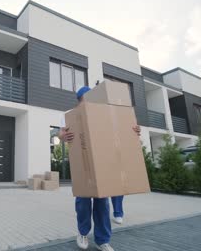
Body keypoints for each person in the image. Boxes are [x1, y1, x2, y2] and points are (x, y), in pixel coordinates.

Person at [58, 86, 140, 251]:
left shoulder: (103, 114)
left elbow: (119, 131)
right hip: (83, 164)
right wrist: (62, 136)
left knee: (102, 204)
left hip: (101, 164)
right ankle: (82, 233)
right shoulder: (70, 115)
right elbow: (61, 134)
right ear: (80, 100)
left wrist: (135, 131)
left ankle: (102, 240)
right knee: (83, 203)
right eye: (85, 99)